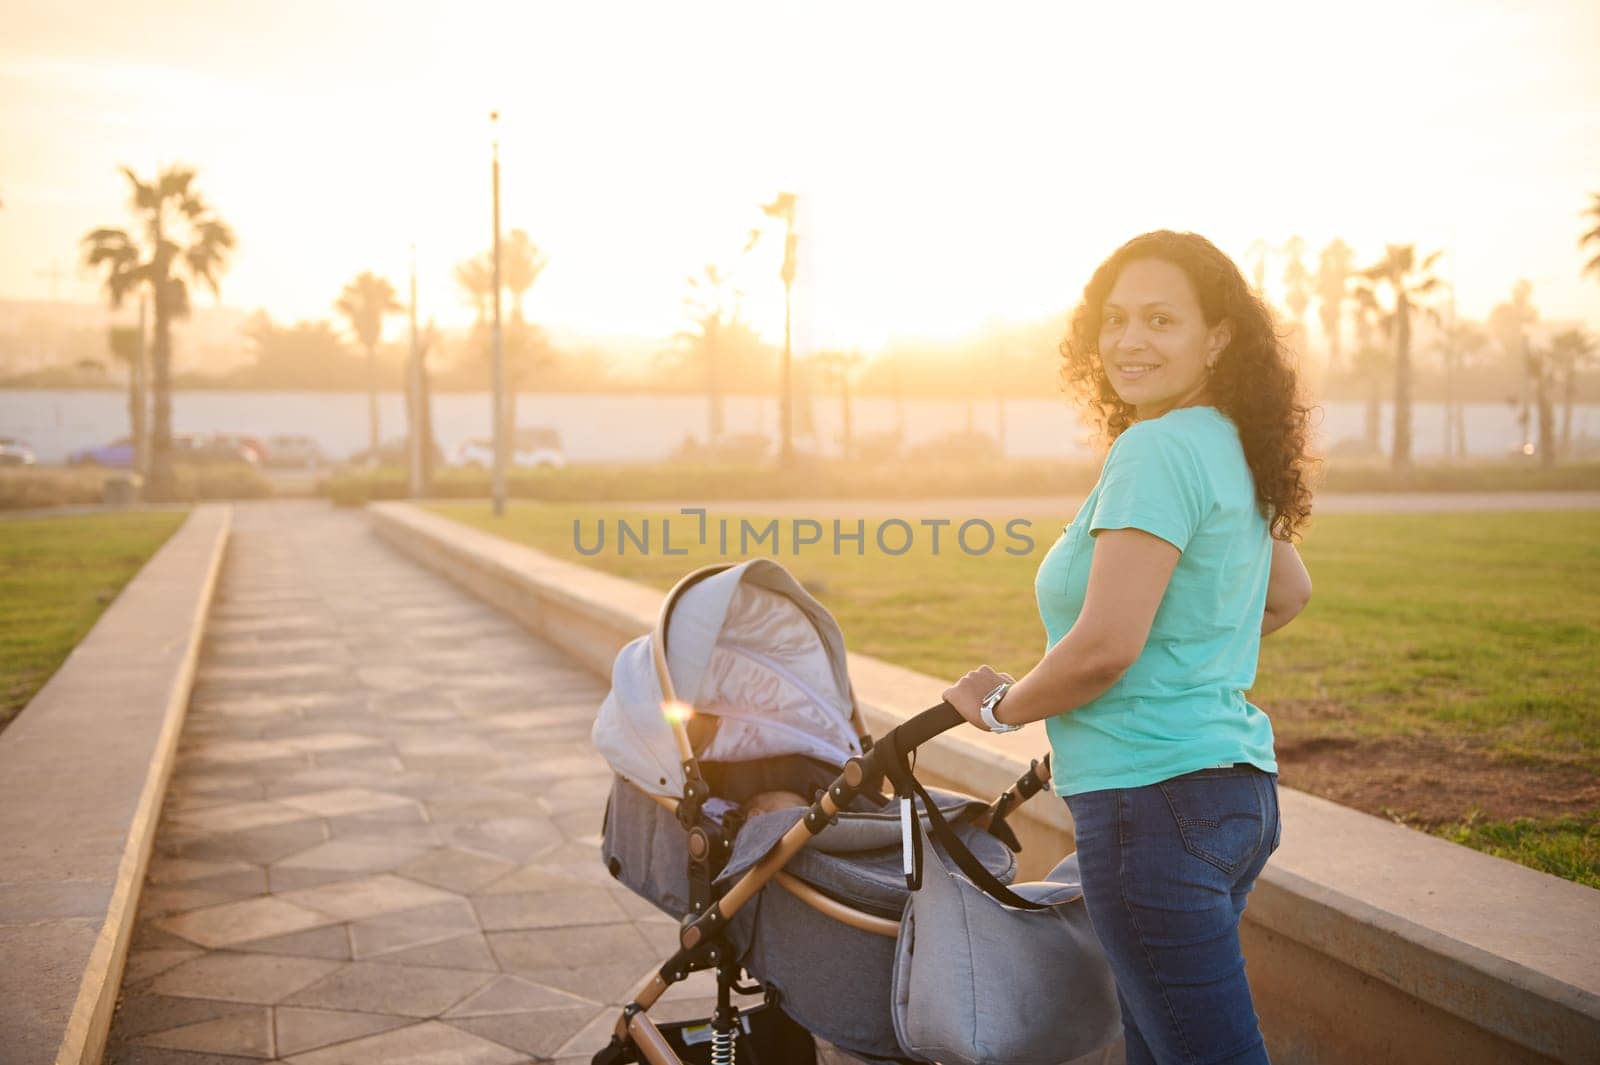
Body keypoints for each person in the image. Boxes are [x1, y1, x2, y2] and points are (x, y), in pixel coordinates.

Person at [943, 229, 1315, 1065]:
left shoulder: (1153, 449)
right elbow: (1288, 592)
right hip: (1233, 797)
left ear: (1216, 336)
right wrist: (1179, 641)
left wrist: (1000, 708)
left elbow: (1106, 645)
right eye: (1114, 320)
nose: (1128, 341)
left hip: (1152, 804)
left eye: (1160, 319)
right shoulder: (1227, 443)